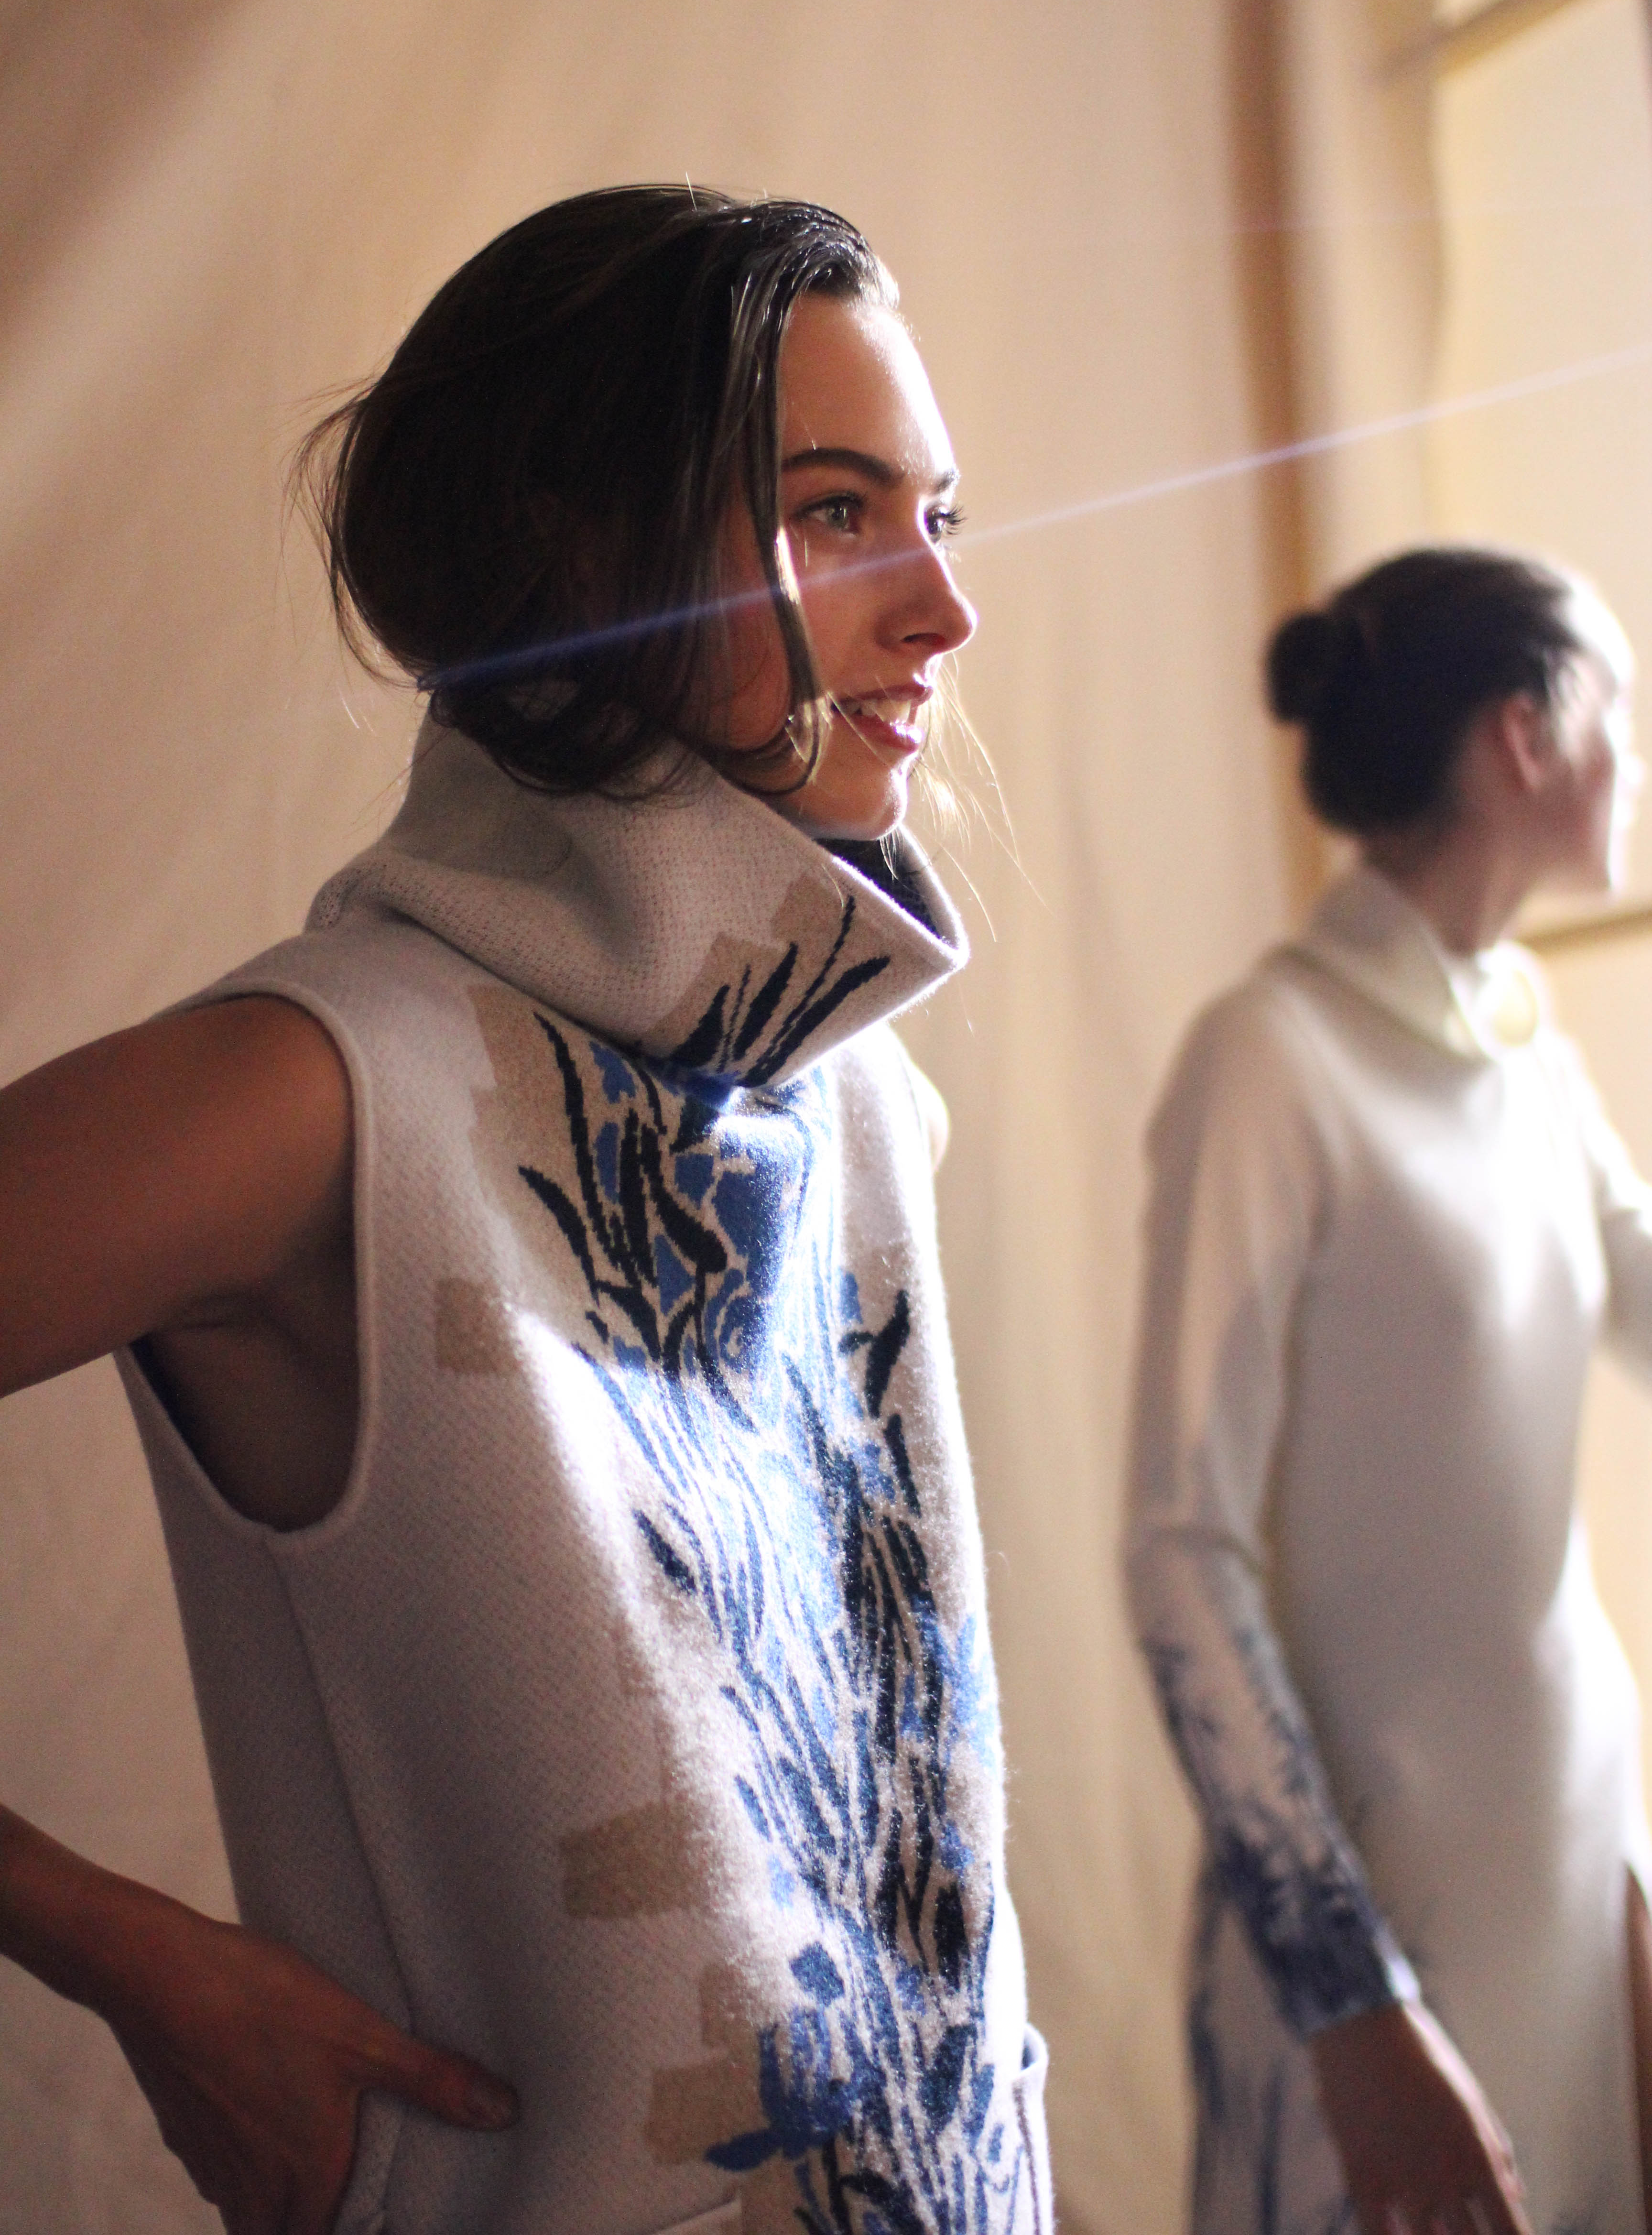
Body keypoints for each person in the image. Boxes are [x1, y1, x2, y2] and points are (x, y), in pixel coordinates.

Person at [0, 187, 1050, 2235]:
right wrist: (140, 1966)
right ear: (576, 552)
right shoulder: (310, 1093)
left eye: (939, 516)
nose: (944, 609)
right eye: (836, 513)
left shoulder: (859, 1096)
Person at [1126, 543, 1652, 2235]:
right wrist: (1346, 1991)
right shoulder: (1267, 1061)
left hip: (1581, 1862)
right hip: (1377, 1930)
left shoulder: (1523, 1045)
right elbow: (1179, 1553)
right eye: (1622, 708)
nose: (1638, 755)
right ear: (1525, 731)